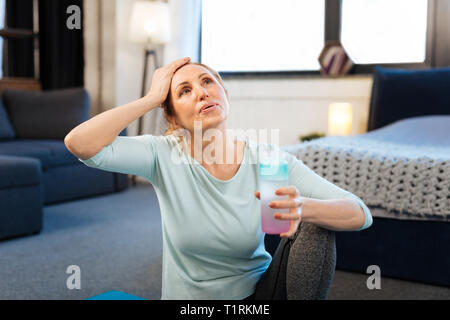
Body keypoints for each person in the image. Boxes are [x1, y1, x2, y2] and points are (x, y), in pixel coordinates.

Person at [65, 57, 373, 300]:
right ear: (172, 118)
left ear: (224, 94)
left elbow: (360, 212)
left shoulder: (265, 160)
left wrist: (303, 207)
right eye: (184, 91)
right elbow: (79, 143)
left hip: (260, 297)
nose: (201, 92)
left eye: (208, 82)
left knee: (318, 226)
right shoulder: (162, 155)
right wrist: (150, 99)